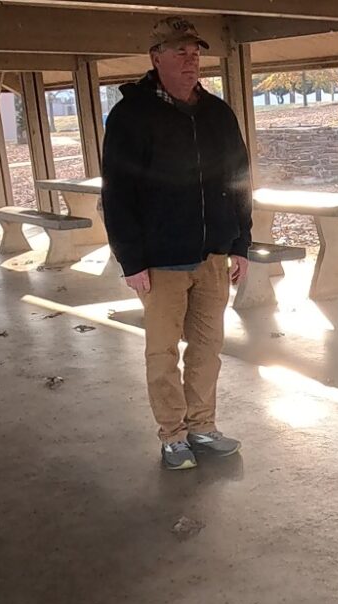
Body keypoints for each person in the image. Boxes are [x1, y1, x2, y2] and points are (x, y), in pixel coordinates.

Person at [102, 16, 252, 470]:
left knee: (207, 348)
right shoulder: (131, 115)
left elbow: (239, 178)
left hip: (212, 257)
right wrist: (131, 260)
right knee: (162, 352)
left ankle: (202, 426)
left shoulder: (217, 113)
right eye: (180, 52)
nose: (191, 61)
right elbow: (118, 193)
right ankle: (173, 435)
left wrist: (242, 242)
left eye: (195, 53)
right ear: (156, 57)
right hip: (161, 260)